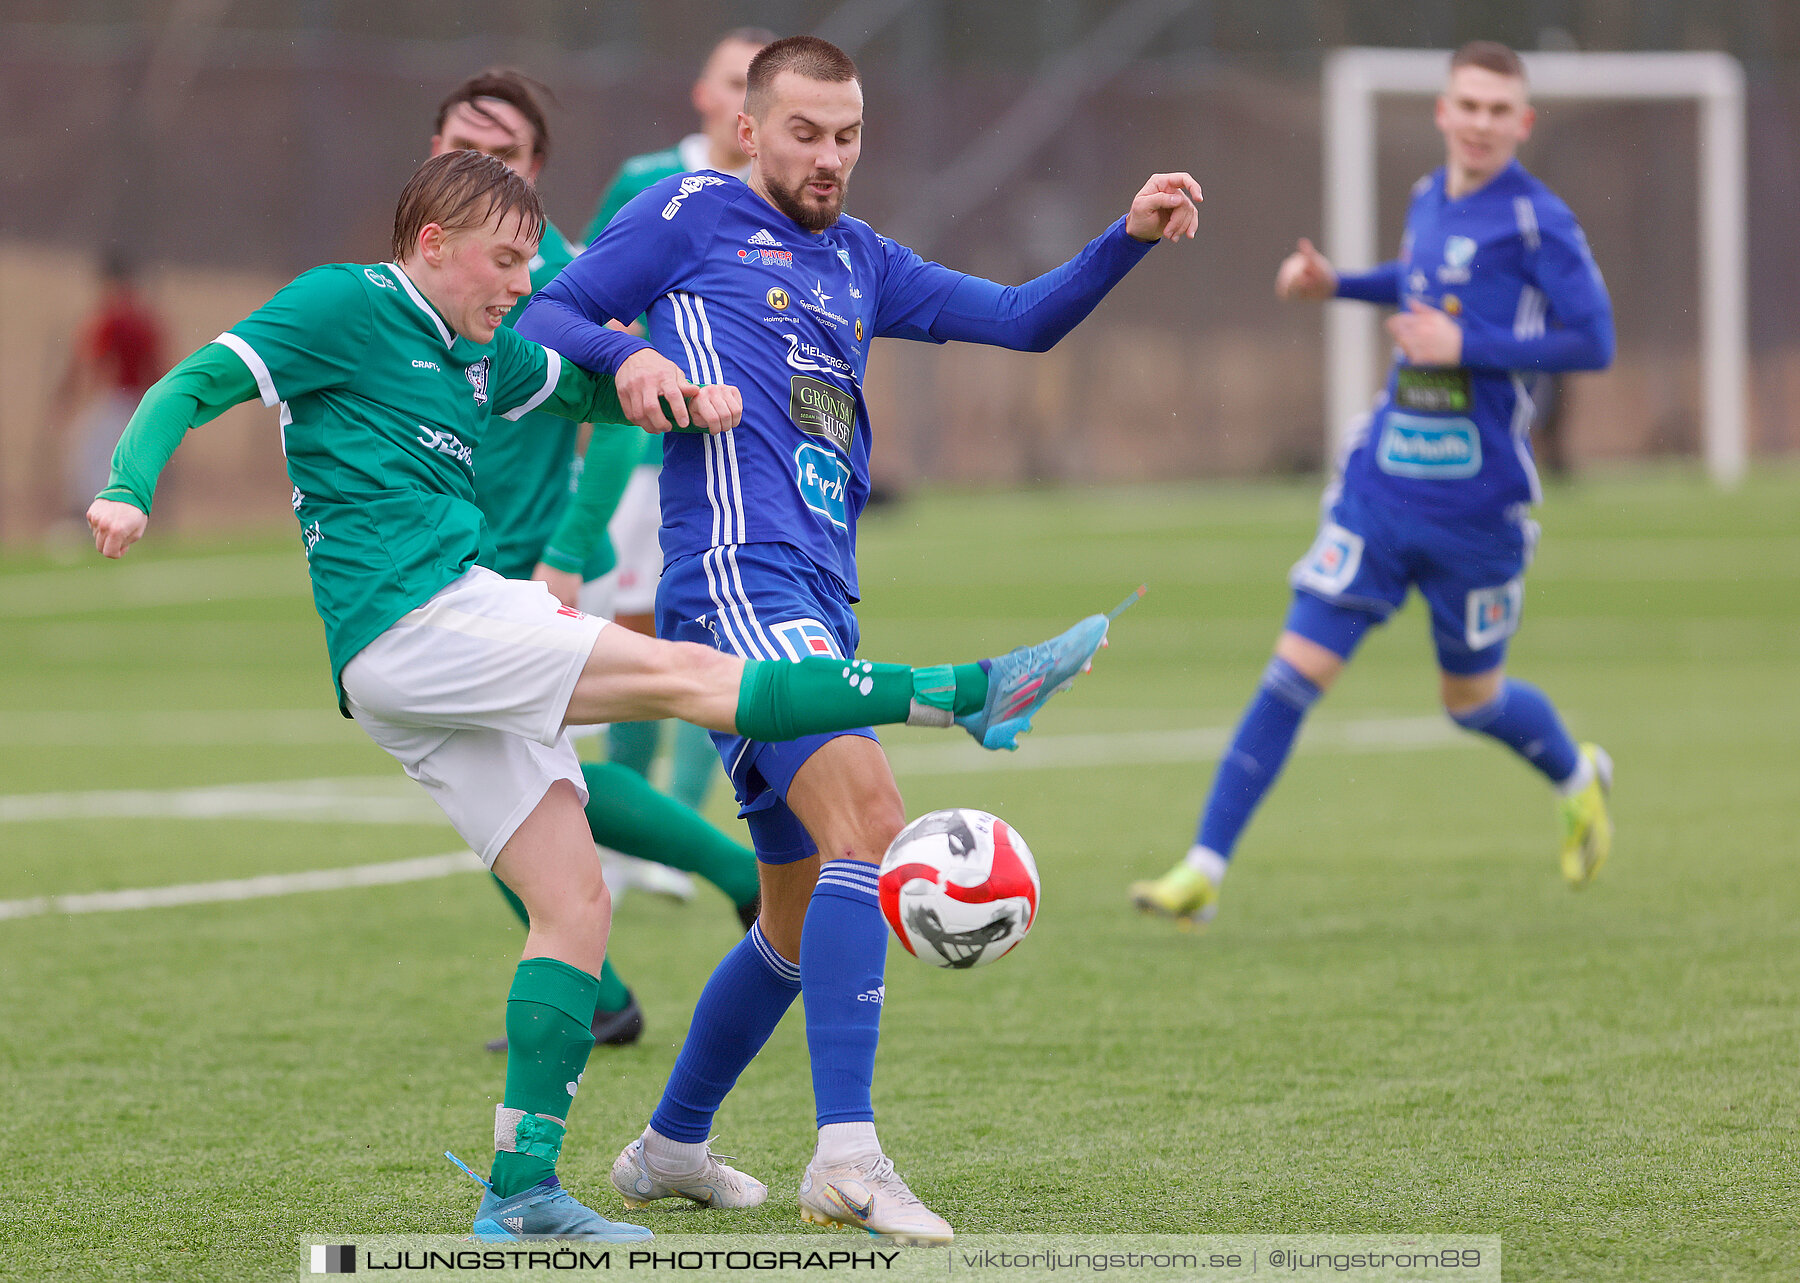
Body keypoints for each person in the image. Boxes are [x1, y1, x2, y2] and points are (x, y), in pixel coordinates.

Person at [85, 150, 1116, 1243]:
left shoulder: (481, 353)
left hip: (410, 663)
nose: (523, 283)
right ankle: (970, 690)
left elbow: (579, 383)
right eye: (505, 260)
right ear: (431, 243)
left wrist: (652, 387)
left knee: (575, 900)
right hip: (422, 615)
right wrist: (125, 485)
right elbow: (191, 382)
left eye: (532, 261)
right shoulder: (346, 301)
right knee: (691, 677)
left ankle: (522, 1189)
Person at [517, 34, 1200, 1243]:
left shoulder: (864, 260)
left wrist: (1128, 238)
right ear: (749, 128)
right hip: (737, 579)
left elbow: (1025, 319)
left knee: (791, 909)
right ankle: (847, 1154)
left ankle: (671, 1143)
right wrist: (632, 360)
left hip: (819, 597)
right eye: (804, 133)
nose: (828, 158)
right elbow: (551, 307)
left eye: (847, 137)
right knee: (872, 827)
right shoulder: (689, 212)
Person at [1130, 41, 1615, 930]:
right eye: (1466, 105)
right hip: (1383, 492)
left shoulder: (1540, 223)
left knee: (1471, 701)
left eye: (1498, 110)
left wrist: (1470, 350)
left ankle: (1578, 777)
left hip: (1479, 509)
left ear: (1523, 123)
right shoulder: (1432, 197)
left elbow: (1594, 342)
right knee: (1292, 673)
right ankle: (1201, 867)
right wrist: (1338, 284)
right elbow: (1420, 283)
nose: (1479, 123)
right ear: (1442, 110)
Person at [426, 68, 762, 1052]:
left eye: (500, 156)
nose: (473, 167)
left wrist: (571, 554)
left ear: (532, 172)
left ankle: (685, 923)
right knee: (509, 780)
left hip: (519, 569)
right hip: (441, 570)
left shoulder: (547, 269)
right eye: (457, 147)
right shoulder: (420, 272)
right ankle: (665, 941)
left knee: (500, 785)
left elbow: (619, 427)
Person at [581, 28, 774, 819]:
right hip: (643, 451)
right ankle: (639, 830)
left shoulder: (781, 195)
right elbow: (592, 298)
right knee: (635, 630)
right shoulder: (651, 180)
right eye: (734, 81)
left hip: (740, 452)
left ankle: (692, 816)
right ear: (704, 93)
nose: (743, 100)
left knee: (724, 637)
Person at [44, 252, 166, 520]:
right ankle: (111, 518)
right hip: (139, 402)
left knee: (88, 462)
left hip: (115, 399)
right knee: (118, 462)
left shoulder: (111, 317)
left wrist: (70, 397)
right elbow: (158, 367)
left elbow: (94, 361)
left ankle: (93, 521)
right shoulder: (144, 318)